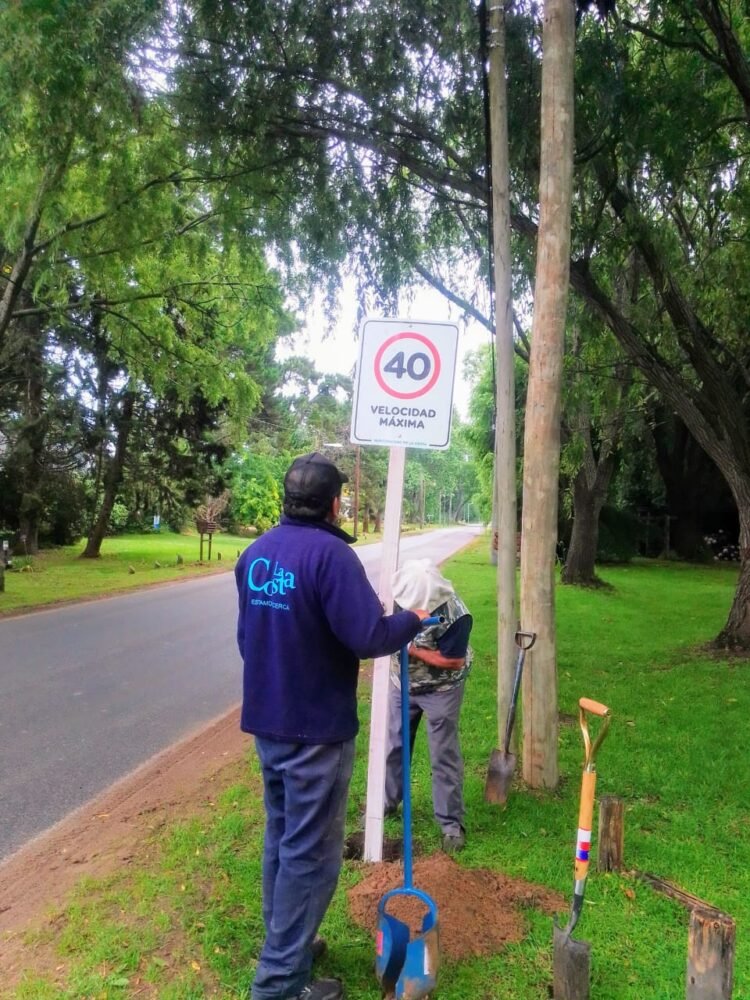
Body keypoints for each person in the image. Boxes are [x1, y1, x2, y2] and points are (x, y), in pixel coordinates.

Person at [235, 452, 429, 1000]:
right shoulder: (331, 558)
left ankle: (289, 944)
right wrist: (411, 621)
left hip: (269, 726)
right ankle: (280, 984)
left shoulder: (255, 555)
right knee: (311, 854)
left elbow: (248, 642)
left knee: (282, 837)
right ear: (335, 502)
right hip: (315, 731)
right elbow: (369, 636)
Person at [384, 558, 473, 853]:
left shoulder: (456, 615)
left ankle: (451, 825)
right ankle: (386, 803)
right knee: (395, 743)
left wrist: (412, 649)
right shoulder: (391, 599)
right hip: (402, 684)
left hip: (441, 689)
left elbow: (453, 659)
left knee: (443, 753)